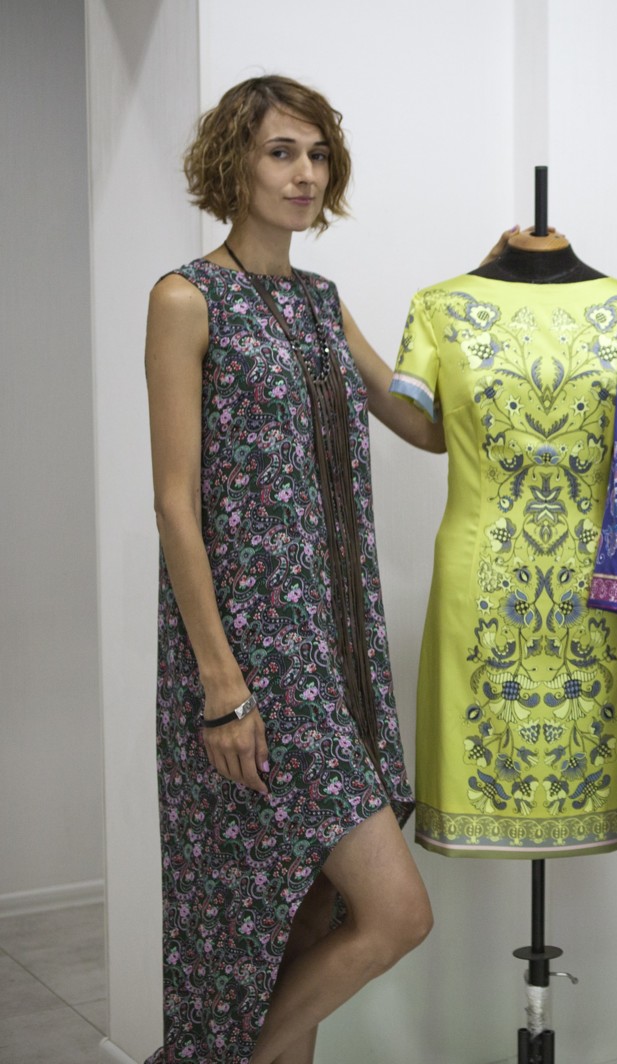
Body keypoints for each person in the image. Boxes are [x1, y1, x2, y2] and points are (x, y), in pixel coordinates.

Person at [144, 75, 443, 1064]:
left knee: (308, 918)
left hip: (335, 648)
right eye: (282, 152)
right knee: (395, 912)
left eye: (317, 155)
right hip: (252, 662)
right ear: (234, 161)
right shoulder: (186, 299)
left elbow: (419, 422)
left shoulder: (320, 304)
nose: (304, 173)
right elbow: (175, 504)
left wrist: (482, 312)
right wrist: (221, 685)